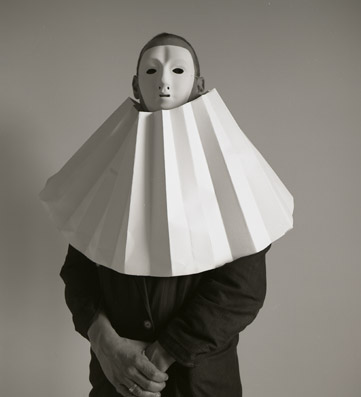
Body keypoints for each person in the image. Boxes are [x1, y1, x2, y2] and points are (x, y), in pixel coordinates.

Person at [60, 33, 271, 397]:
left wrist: (156, 358)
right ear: (135, 85)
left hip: (200, 385)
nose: (163, 82)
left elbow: (242, 288)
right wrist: (107, 345)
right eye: (152, 70)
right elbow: (78, 272)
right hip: (114, 382)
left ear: (199, 85)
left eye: (177, 70)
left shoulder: (231, 170)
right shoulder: (107, 168)